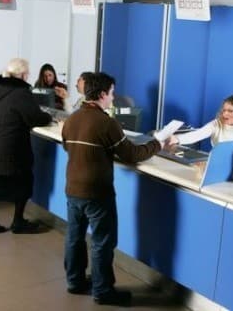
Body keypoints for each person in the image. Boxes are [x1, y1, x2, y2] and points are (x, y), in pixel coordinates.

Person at [61, 72, 165, 306]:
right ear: (101, 95)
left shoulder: (72, 119)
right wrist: (158, 144)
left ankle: (74, 281)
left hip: (72, 188)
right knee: (102, 242)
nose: (113, 98)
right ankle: (102, 290)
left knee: (74, 237)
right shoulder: (107, 123)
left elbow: (68, 146)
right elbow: (132, 154)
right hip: (97, 192)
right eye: (111, 93)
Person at [0, 58, 52, 235]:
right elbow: (34, 118)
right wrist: (49, 117)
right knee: (24, 183)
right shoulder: (21, 93)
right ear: (23, 75)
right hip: (11, 149)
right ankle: (18, 222)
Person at [169, 94, 233, 146]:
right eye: (224, 110)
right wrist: (177, 139)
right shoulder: (217, 124)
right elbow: (198, 134)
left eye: (230, 111)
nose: (225, 114)